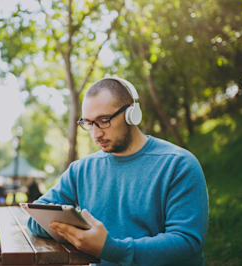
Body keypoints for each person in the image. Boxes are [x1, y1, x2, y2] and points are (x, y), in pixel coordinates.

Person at [27, 77, 209, 266]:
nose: (96, 134)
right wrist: (78, 229)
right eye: (88, 123)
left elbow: (187, 242)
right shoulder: (81, 169)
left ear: (132, 114)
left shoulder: (179, 165)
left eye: (103, 121)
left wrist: (110, 248)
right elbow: (36, 218)